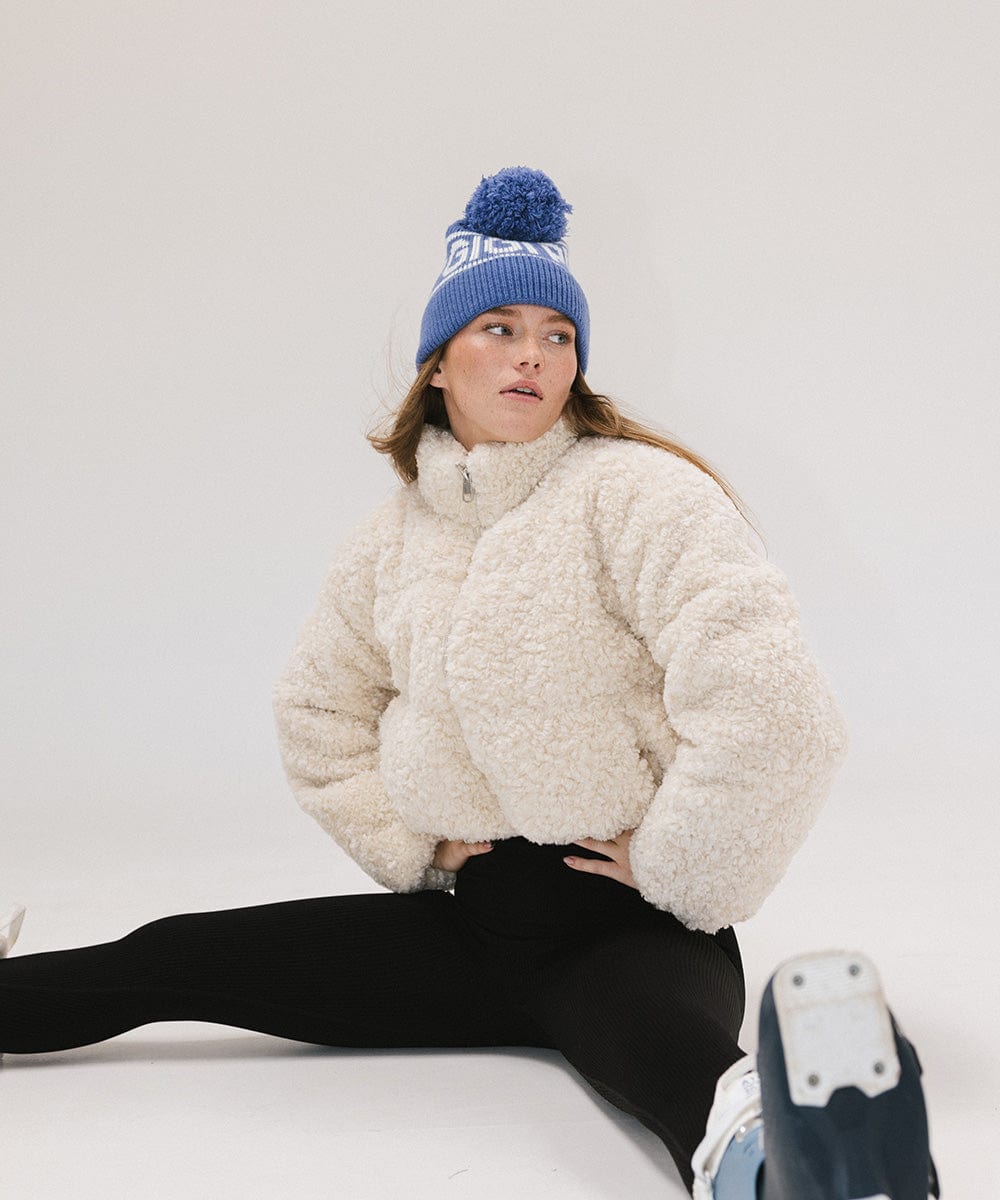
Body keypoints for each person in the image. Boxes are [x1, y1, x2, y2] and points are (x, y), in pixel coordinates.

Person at [1, 168, 936, 1199]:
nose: (533, 353)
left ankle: (814, 1166)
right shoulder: (394, 538)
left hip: (626, 928)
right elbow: (316, 707)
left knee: (683, 1074)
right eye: (499, 327)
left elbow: (777, 707)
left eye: (557, 334)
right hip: (469, 934)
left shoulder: (637, 495)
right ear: (438, 362)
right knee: (167, 954)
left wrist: (677, 861)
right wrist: (409, 844)